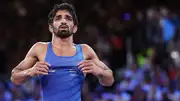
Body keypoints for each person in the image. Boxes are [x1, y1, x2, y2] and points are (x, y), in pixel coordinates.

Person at [10, 3, 114, 101]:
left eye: (68, 18)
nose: (63, 21)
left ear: (74, 28)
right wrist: (30, 71)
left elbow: (110, 80)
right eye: (58, 18)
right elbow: (15, 77)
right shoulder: (40, 48)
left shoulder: (85, 50)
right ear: (51, 27)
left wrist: (99, 71)